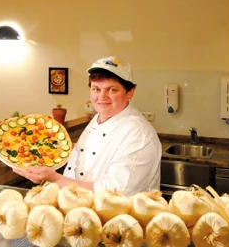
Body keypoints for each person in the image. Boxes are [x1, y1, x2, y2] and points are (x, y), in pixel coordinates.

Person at [14, 56, 161, 195]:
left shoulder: (137, 133)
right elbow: (95, 153)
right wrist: (55, 149)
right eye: (96, 89)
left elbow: (115, 193)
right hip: (80, 210)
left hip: (114, 219)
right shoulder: (100, 118)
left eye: (112, 90)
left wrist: (55, 179)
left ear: (130, 92)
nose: (102, 97)